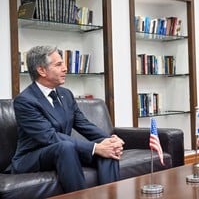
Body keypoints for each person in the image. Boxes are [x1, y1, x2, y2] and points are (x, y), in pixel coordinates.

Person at [11, 45, 125, 193]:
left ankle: (112, 196)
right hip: (32, 156)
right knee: (67, 147)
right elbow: (49, 137)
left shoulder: (66, 94)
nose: (65, 68)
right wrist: (96, 148)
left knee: (107, 149)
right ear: (41, 70)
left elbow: (83, 124)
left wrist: (109, 140)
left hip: (65, 153)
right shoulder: (25, 101)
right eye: (58, 65)